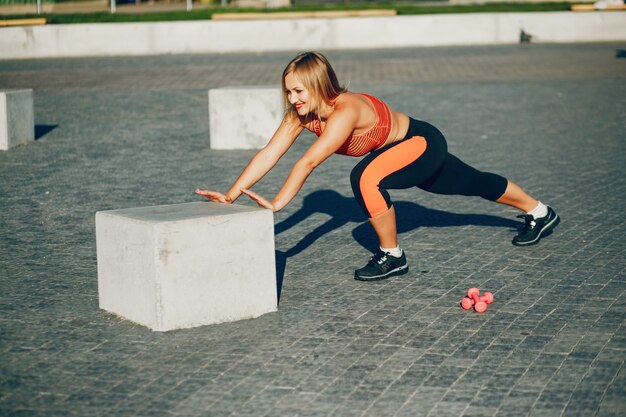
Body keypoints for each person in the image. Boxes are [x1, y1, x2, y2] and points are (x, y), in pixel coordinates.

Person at [196, 51, 560, 281]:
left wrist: (277, 204)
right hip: (401, 153)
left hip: (420, 142)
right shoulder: (300, 115)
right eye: (288, 92)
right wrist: (230, 195)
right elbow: (268, 152)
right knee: (472, 182)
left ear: (320, 86)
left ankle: (392, 255)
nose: (293, 99)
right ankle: (540, 212)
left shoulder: (346, 109)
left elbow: (308, 162)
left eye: (300, 92)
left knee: (366, 177)